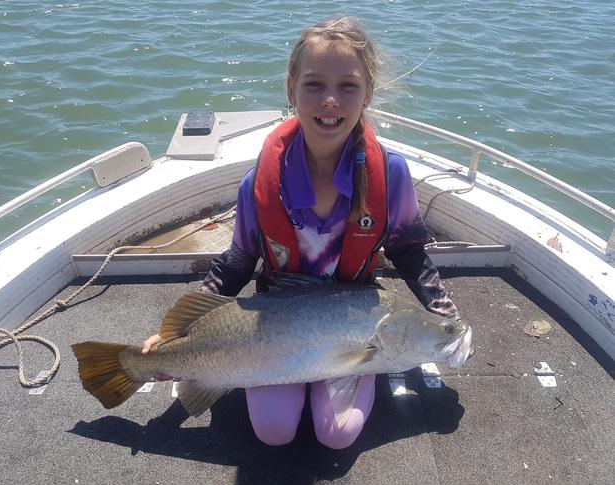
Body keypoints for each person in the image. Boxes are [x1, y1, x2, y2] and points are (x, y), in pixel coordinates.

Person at [141, 15, 458, 449]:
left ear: (367, 94)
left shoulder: (393, 174)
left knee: (338, 435)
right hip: (275, 320)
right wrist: (175, 336)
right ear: (291, 90)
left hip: (354, 318)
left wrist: (444, 316)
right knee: (274, 430)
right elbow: (237, 261)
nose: (331, 100)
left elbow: (408, 251)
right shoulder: (259, 183)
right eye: (314, 85)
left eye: (347, 86)